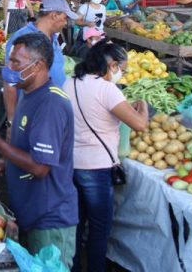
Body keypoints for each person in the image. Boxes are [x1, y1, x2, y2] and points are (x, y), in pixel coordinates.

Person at [0, 32, 78, 269]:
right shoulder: (28, 94)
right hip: (29, 211)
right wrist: (7, 160)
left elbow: (40, 167)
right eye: (10, 60)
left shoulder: (50, 104)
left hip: (49, 219)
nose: (9, 67)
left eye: (16, 62)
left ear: (38, 66)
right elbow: (27, 145)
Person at [64, 40, 149, 272]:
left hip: (71, 165)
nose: (122, 74)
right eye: (122, 69)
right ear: (112, 65)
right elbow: (140, 124)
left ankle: (73, 267)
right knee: (99, 229)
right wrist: (142, 105)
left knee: (77, 224)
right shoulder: (107, 89)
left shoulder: (70, 82)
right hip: (97, 169)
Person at [3, 0, 77, 123]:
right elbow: (10, 82)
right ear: (54, 15)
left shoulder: (53, 38)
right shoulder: (23, 38)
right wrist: (11, 121)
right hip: (31, 113)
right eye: (65, 18)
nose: (66, 23)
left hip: (53, 110)